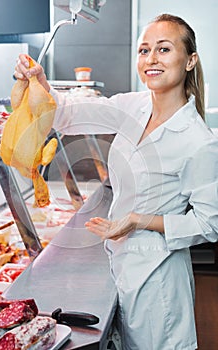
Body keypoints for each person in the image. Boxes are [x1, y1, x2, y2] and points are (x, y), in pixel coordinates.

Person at [14, 13, 218, 350]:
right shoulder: (133, 106)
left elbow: (210, 224)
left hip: (159, 280)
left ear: (190, 60)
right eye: (144, 50)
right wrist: (40, 82)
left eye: (164, 49)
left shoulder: (198, 141)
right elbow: (67, 114)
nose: (151, 59)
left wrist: (139, 220)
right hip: (118, 264)